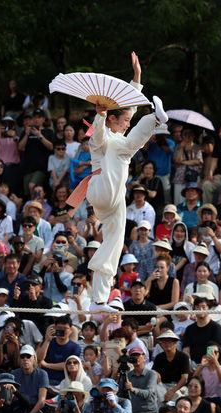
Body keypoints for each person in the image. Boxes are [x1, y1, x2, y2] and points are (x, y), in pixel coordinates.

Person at [65, 52, 168, 314]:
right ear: (112, 119)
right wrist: (99, 115)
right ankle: (155, 119)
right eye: (122, 121)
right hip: (101, 187)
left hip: (112, 199)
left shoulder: (121, 140)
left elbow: (128, 109)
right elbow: (100, 135)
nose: (125, 124)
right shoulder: (102, 139)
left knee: (112, 243)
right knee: (128, 144)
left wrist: (137, 78)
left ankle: (99, 301)